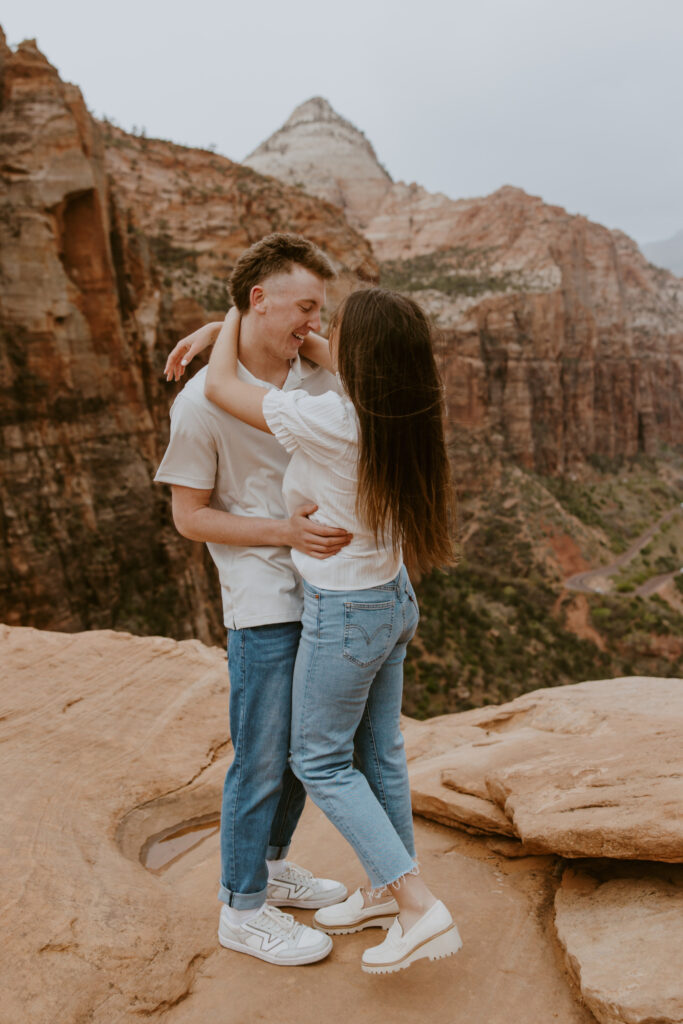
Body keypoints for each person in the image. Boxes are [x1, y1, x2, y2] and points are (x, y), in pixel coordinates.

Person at [202, 289, 463, 974]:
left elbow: (223, 386)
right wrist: (302, 339)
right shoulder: (404, 405)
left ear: (361, 357)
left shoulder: (330, 418)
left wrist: (235, 316)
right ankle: (382, 889)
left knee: (317, 759)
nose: (322, 336)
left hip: (345, 611)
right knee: (378, 753)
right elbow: (342, 361)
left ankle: (415, 905)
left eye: (336, 331)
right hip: (391, 599)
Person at [155, 233, 353, 968]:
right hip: (265, 601)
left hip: (330, 592)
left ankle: (270, 870)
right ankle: (241, 909)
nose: (315, 322)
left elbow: (359, 371)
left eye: (321, 311)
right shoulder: (199, 407)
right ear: (259, 301)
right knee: (261, 759)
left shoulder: (315, 381)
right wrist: (284, 534)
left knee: (305, 756)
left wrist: (225, 327)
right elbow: (189, 516)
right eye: (304, 307)